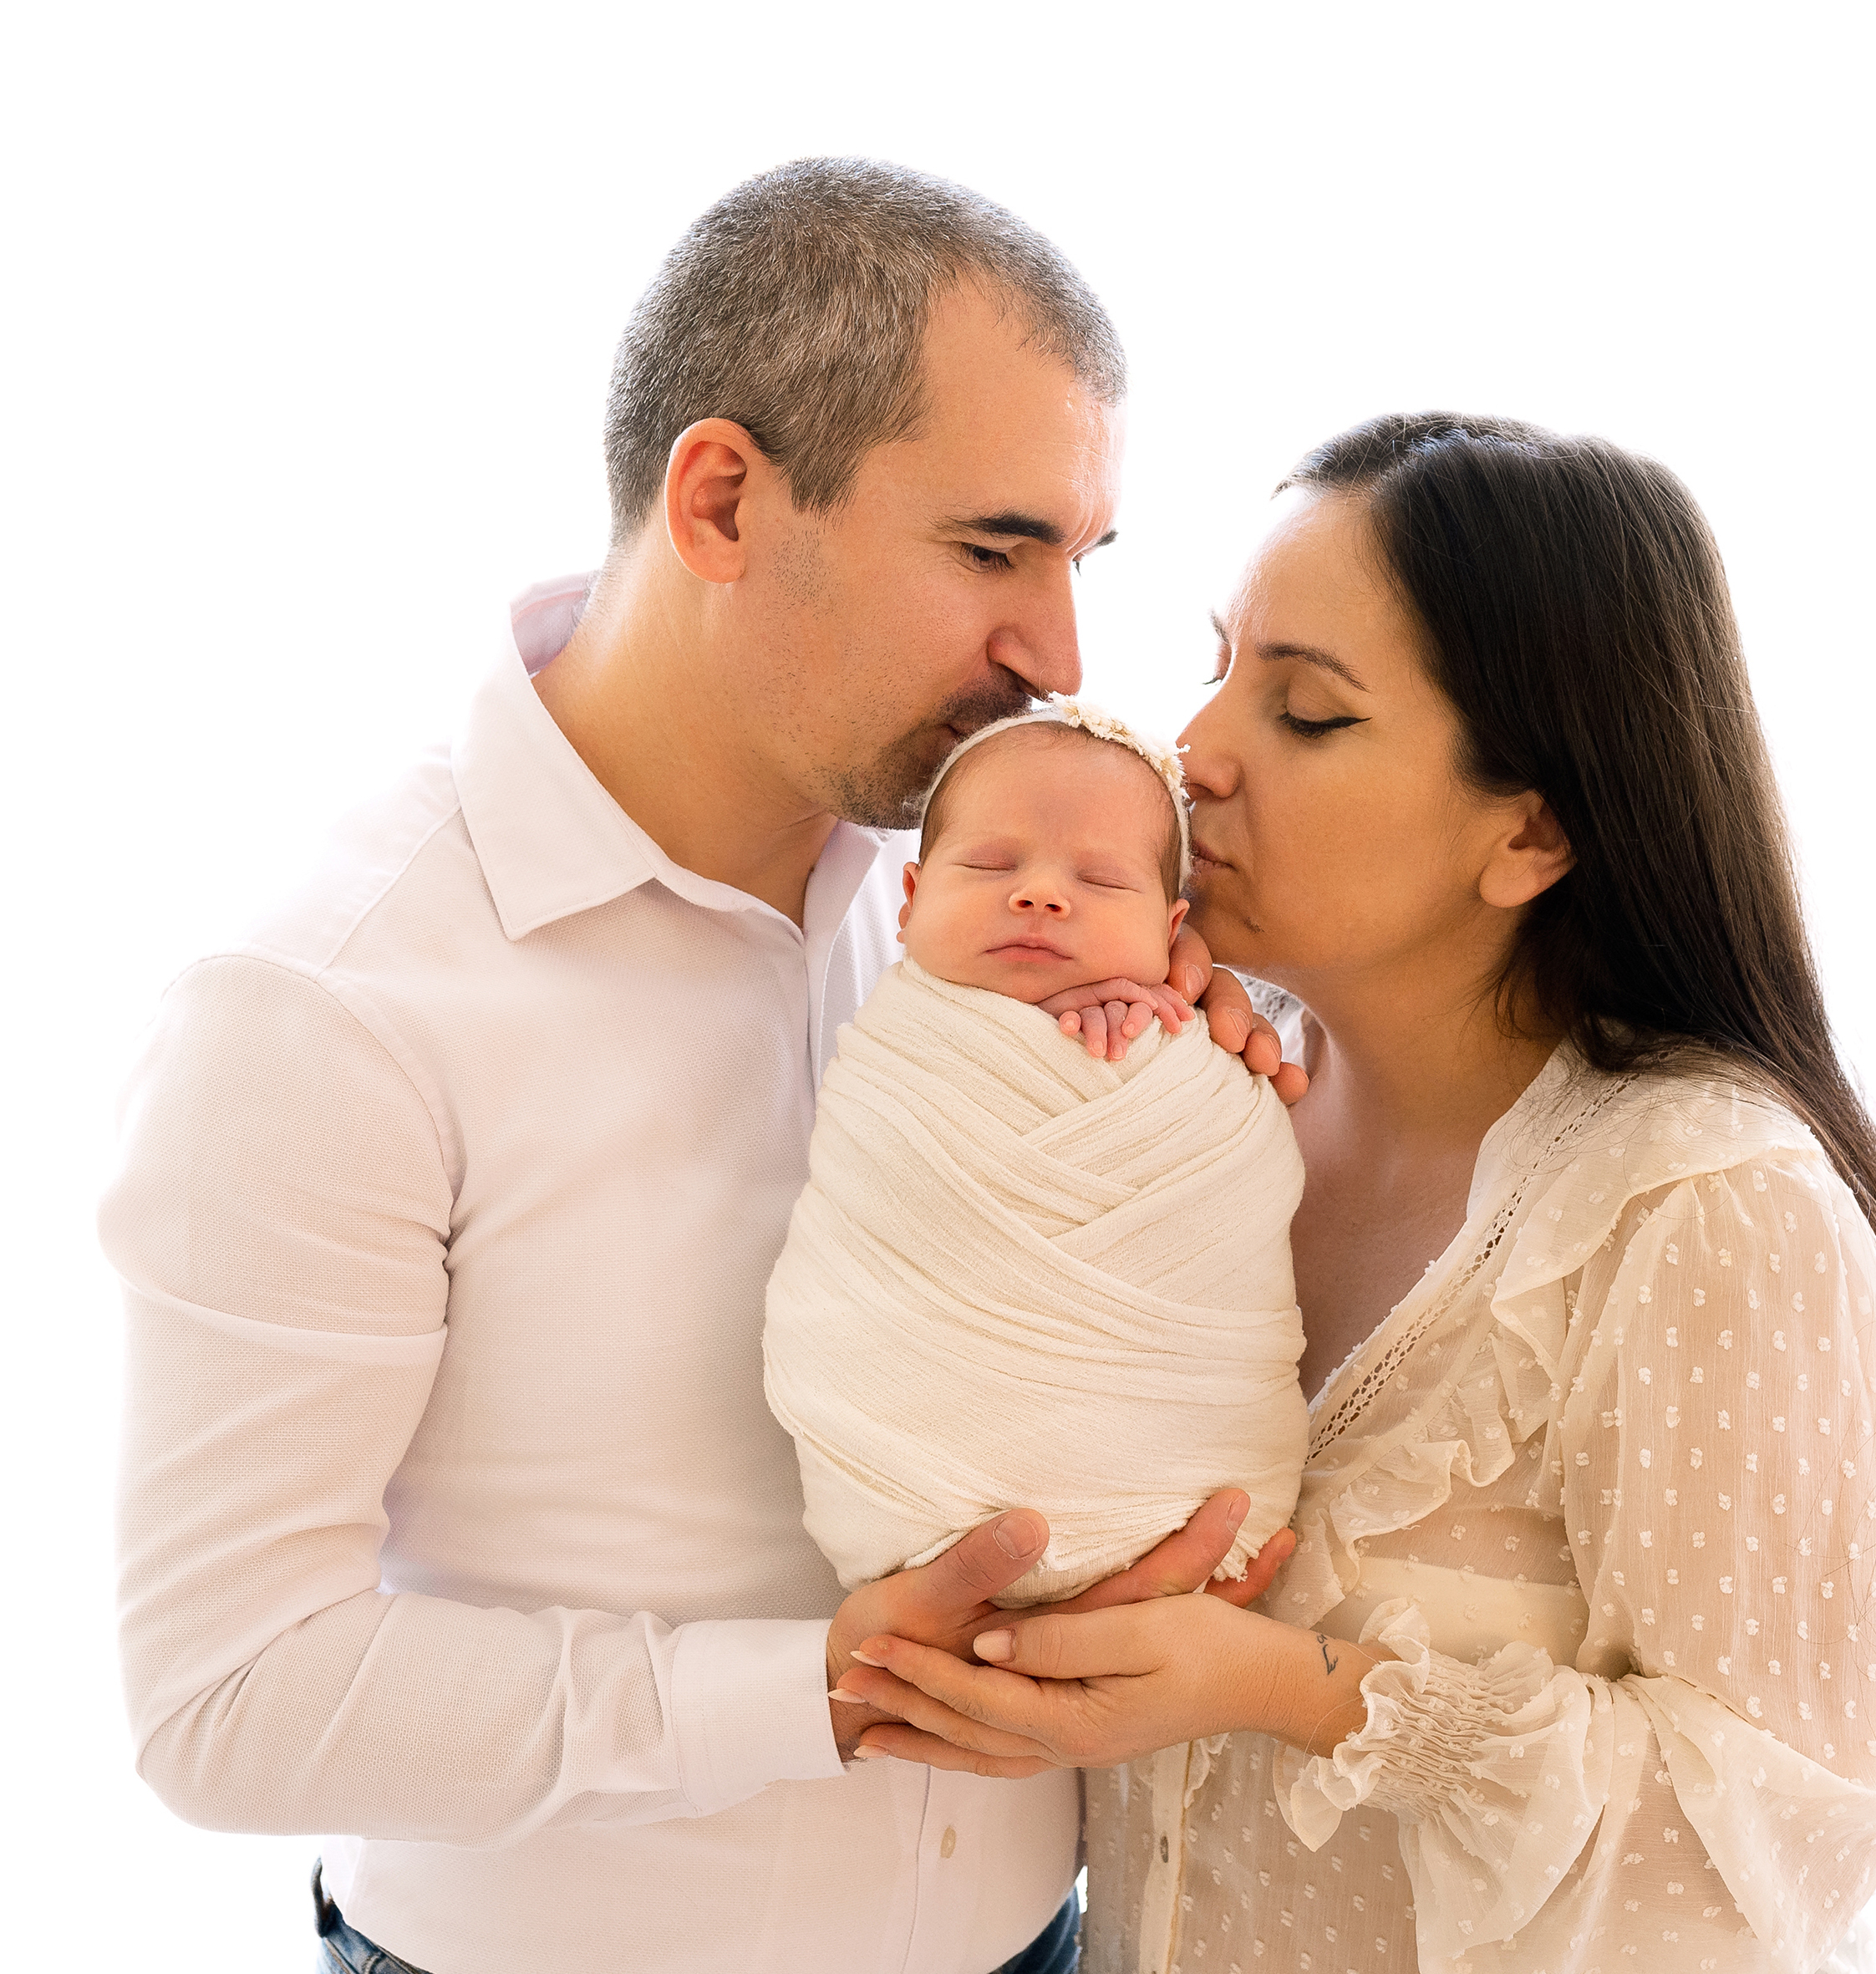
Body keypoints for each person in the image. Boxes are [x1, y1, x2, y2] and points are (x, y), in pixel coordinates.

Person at [105, 158, 1280, 1974]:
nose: (1057, 653)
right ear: (722, 499)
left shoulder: (1005, 887)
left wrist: (1210, 1051)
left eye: (1080, 558)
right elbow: (228, 1699)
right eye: (992, 550)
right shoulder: (326, 1004)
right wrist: (811, 1692)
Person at [828, 414, 1876, 1974]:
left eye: (1305, 711)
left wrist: (1285, 1688)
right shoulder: (1200, 1095)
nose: (1194, 749)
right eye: (1218, 666)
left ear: (1531, 830)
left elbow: (1770, 1850)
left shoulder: (1703, 1208)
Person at [766, 700, 1308, 1609]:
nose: (1041, 895)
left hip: (1180, 1497)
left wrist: (1154, 1051)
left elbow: (1227, 1196)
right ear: (909, 902)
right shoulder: (896, 1039)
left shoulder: (1196, 1045)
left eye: (1101, 882)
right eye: (989, 865)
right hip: (906, 1500)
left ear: (1172, 929)